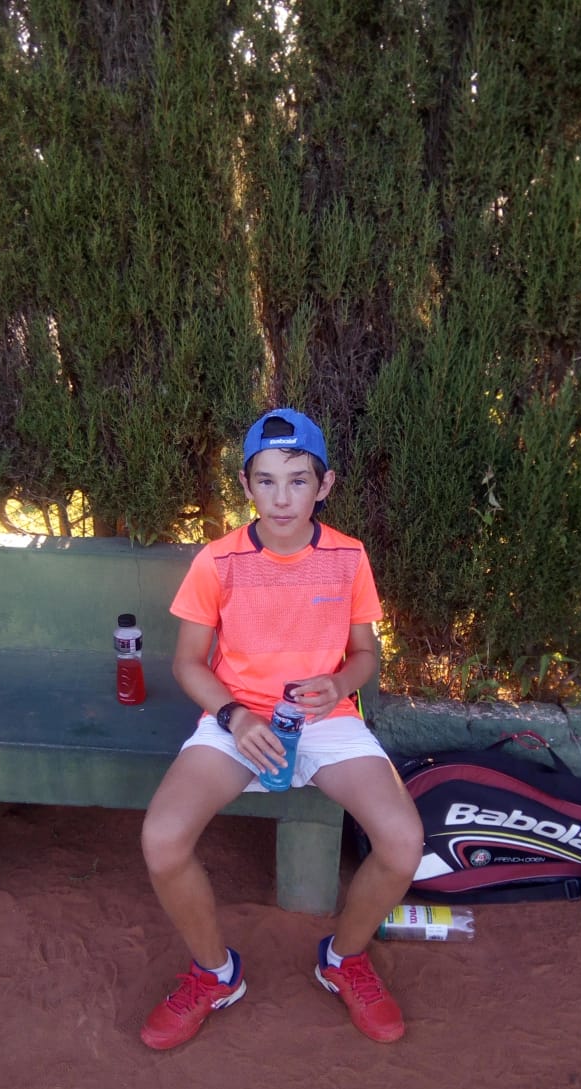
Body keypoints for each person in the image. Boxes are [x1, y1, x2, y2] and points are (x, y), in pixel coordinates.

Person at [140, 408, 423, 1050]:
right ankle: (216, 974)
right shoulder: (218, 561)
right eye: (265, 481)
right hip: (237, 719)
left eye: (298, 481)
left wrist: (340, 685)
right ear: (246, 485)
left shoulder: (349, 556)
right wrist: (234, 716)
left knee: (403, 841)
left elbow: (365, 655)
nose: (282, 498)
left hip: (326, 719)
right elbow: (187, 663)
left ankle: (343, 959)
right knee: (162, 839)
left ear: (324, 485)